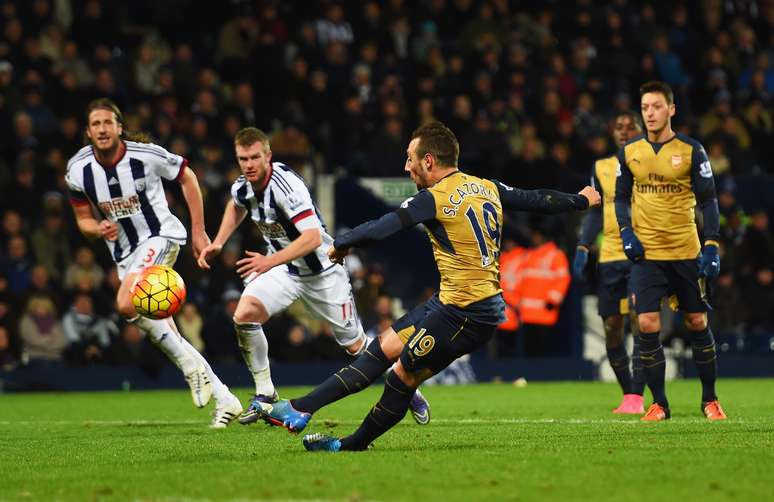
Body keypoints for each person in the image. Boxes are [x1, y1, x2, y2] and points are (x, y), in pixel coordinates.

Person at [254, 121, 600, 451]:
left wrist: (343, 242)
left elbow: (385, 226)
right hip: (452, 302)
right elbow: (537, 199)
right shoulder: (487, 186)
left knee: (402, 375)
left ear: (429, 161)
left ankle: (351, 444)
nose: (407, 167)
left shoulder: (434, 198)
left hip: (468, 312)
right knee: (381, 349)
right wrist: (579, 200)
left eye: (410, 158)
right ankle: (300, 408)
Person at [196, 127, 430, 426]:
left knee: (357, 346)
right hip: (287, 269)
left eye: (255, 157)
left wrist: (269, 260)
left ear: (268, 156)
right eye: (243, 158)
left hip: (323, 272)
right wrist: (218, 242)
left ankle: (409, 388)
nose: (249, 164)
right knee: (245, 315)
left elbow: (311, 238)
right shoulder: (244, 185)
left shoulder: (287, 187)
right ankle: (265, 394)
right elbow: (236, 204)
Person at [65, 98, 242, 428]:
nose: (103, 129)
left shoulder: (145, 155)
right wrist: (96, 227)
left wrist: (199, 232)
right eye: (96, 124)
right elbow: (82, 218)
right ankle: (225, 398)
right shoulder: (78, 170)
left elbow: (187, 177)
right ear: (88, 132)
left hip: (161, 236)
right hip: (124, 253)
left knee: (125, 302)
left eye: (108, 122)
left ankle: (190, 369)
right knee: (169, 332)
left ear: (119, 127)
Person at [614, 81, 727, 421]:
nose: (650, 113)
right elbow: (620, 198)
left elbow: (709, 201)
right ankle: (660, 404)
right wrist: (626, 232)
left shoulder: (692, 150)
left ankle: (710, 399)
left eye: (657, 107)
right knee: (647, 323)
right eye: (645, 107)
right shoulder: (630, 152)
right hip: (647, 256)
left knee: (696, 321)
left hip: (685, 251)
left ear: (671, 109)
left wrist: (711, 244)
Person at [573, 112, 646, 414]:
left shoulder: (651, 162)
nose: (625, 131)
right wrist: (583, 245)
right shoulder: (602, 167)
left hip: (644, 255)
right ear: (612, 133)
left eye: (631, 127)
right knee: (612, 326)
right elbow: (594, 212)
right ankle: (630, 396)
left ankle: (643, 396)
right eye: (619, 127)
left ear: (641, 131)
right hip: (611, 259)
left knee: (643, 324)